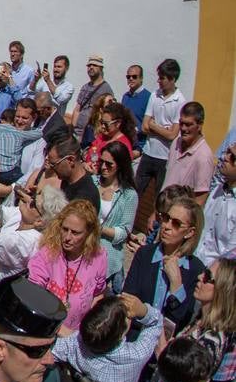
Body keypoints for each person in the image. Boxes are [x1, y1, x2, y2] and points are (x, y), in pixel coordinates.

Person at [53, 293, 163, 382]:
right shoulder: (136, 355)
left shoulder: (77, 345)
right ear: (121, 334)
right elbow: (156, 323)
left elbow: (51, 350)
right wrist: (143, 311)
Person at [0, 157, 68, 280]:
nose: (29, 200)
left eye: (34, 204)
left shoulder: (28, 242)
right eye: (33, 197)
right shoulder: (20, 215)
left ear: (39, 221)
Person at [125, 194, 206, 331]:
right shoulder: (145, 254)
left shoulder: (195, 269)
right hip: (134, 336)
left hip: (164, 345)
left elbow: (180, 318)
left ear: (190, 232)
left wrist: (176, 284)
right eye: (166, 218)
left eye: (176, 223)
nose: (166, 226)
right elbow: (127, 299)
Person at [27, 198, 108, 331]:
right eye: (65, 229)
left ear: (89, 234)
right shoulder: (47, 254)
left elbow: (98, 294)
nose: (67, 237)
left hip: (77, 334)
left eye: (75, 233)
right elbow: (34, 295)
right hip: (45, 329)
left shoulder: (99, 256)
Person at [171, 259, 236, 382]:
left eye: (207, 276)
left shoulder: (211, 340)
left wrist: (160, 341)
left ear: (222, 289)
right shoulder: (201, 318)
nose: (200, 276)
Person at [137, 59, 187, 213]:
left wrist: (154, 125)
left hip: (164, 158)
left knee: (158, 201)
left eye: (162, 78)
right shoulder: (154, 95)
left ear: (172, 79)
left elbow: (172, 135)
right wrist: (160, 128)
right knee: (135, 191)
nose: (159, 81)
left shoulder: (180, 101)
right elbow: (145, 126)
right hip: (148, 152)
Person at [94, 140, 140, 292]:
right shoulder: (93, 182)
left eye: (109, 164)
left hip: (107, 254)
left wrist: (99, 228)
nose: (103, 167)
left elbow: (123, 232)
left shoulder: (128, 195)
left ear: (120, 165)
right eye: (102, 162)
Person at [160, 102, 216, 204]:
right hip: (162, 209)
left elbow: (200, 200)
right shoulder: (176, 142)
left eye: (188, 124)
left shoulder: (204, 157)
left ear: (199, 125)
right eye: (181, 123)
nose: (183, 128)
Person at [196, 144, 236, 263]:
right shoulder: (216, 190)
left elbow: (231, 254)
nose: (225, 157)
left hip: (212, 275)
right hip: (192, 262)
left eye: (233, 157)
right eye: (227, 152)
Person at [67, 55, 113, 141]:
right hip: (77, 133)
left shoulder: (106, 89)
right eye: (89, 65)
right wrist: (72, 130)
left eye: (95, 65)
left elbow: (106, 115)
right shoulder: (85, 87)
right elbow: (77, 109)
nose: (91, 67)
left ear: (101, 68)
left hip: (91, 135)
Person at [32, 55, 74, 123]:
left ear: (66, 68)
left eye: (59, 67)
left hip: (55, 124)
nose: (56, 69)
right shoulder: (43, 82)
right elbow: (31, 92)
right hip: (40, 122)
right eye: (55, 66)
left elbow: (60, 100)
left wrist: (48, 81)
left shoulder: (69, 87)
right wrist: (35, 80)